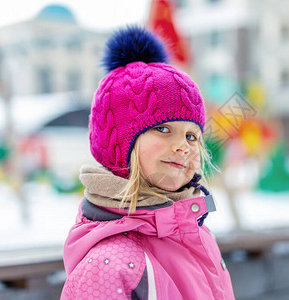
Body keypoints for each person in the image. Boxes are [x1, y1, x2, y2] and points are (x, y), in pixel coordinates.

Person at [61, 26, 235, 299]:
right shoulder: (108, 267)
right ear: (119, 144)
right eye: (164, 129)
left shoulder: (196, 234)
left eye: (191, 135)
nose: (183, 146)